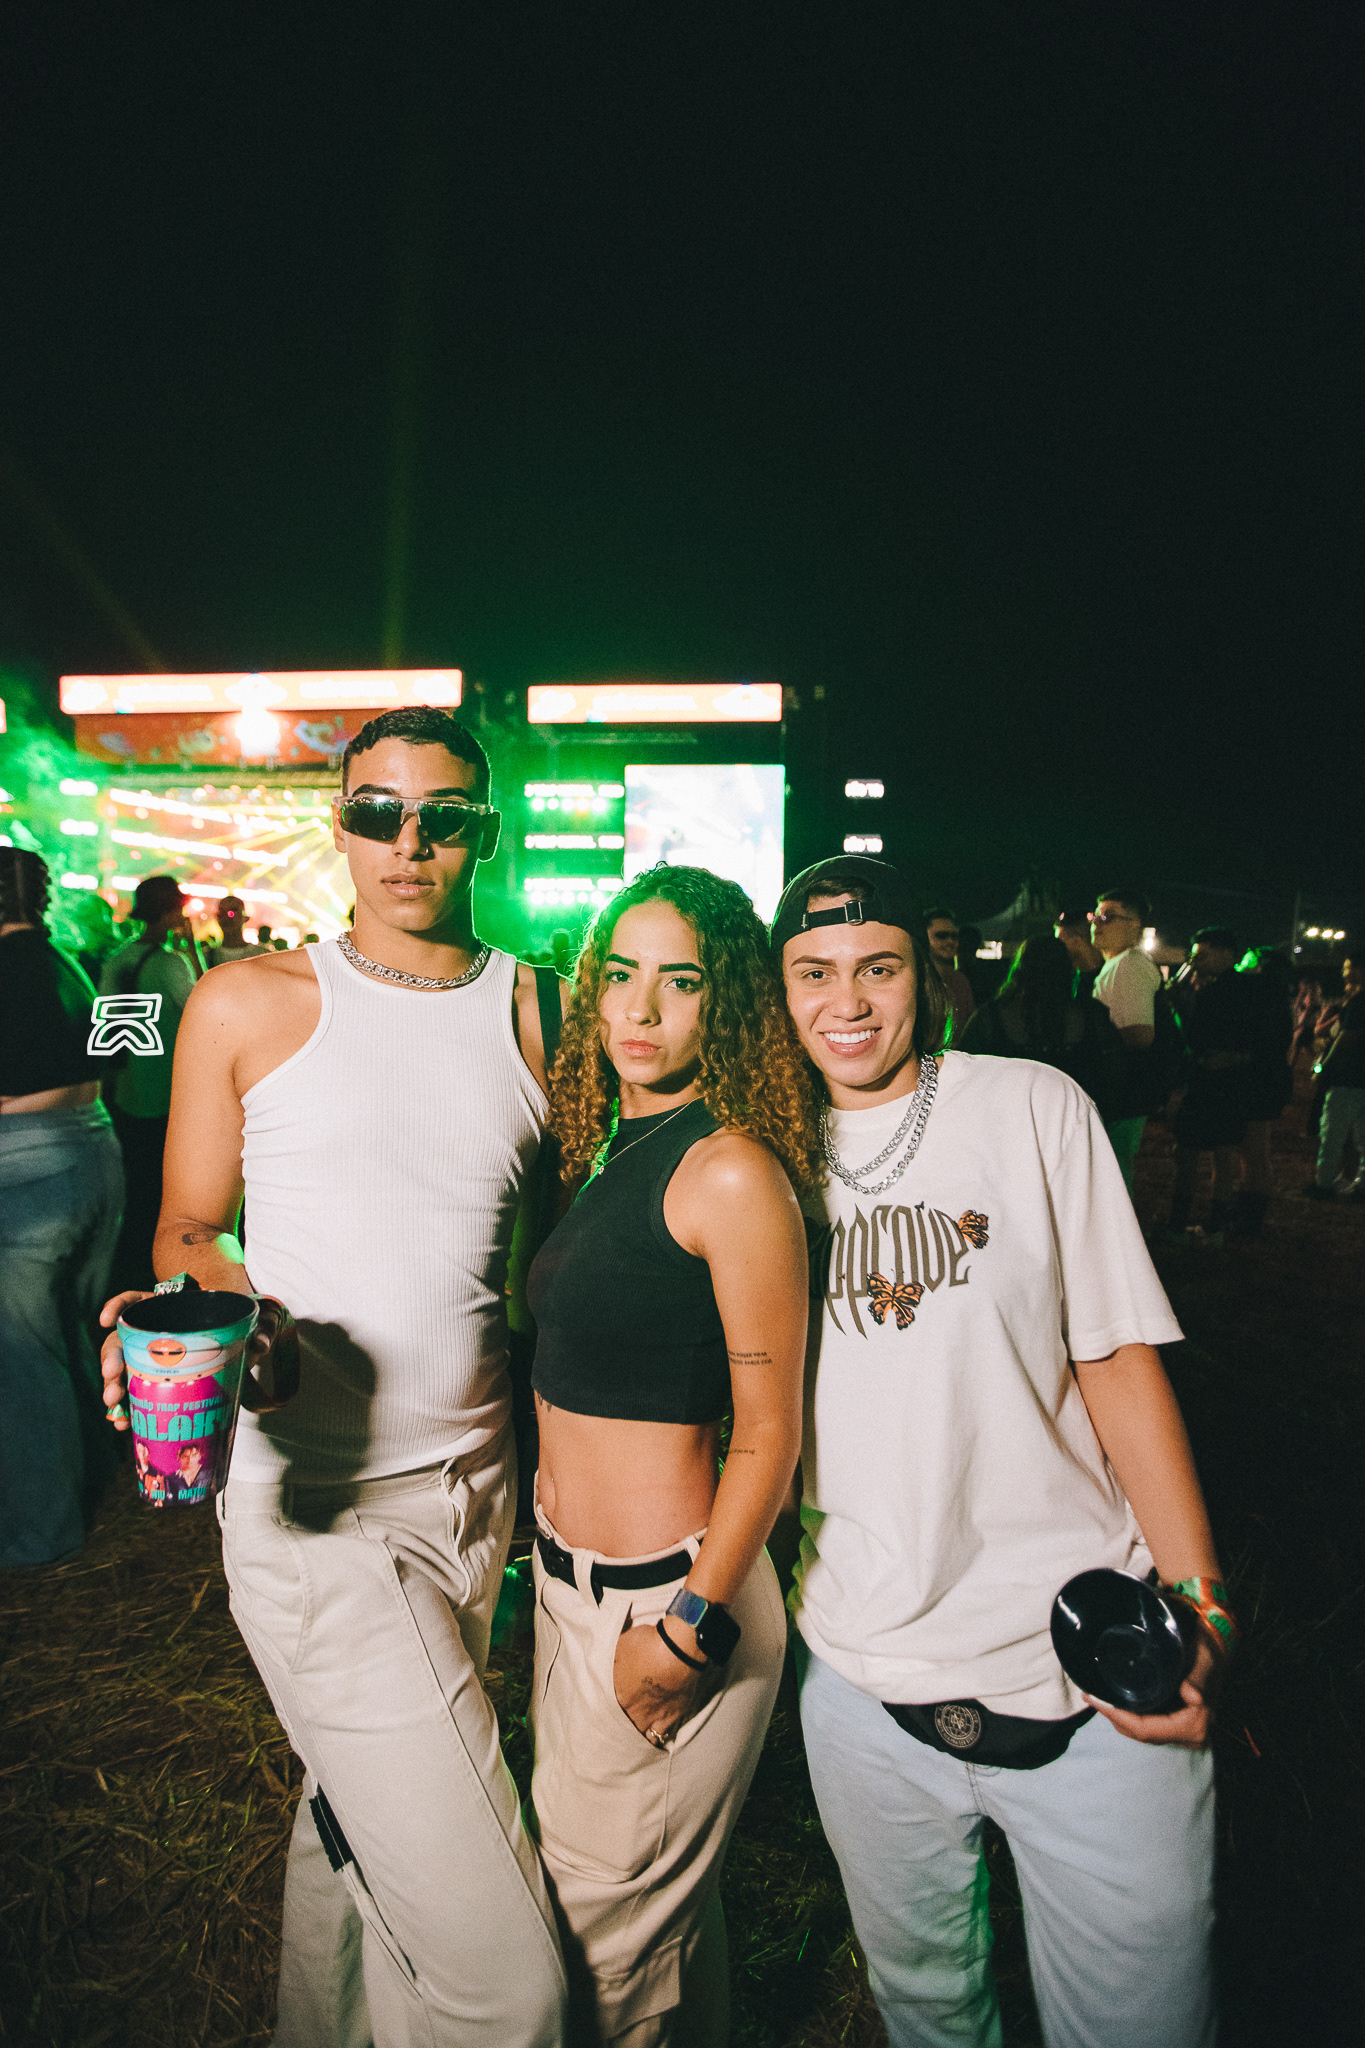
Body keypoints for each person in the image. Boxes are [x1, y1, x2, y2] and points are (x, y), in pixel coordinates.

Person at [99, 706, 569, 2047]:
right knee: (508, 1985)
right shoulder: (250, 1001)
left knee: (357, 1820)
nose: (407, 841)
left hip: (475, 1491)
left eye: (443, 817)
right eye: (377, 811)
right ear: (341, 822)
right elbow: (188, 1222)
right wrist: (229, 1306)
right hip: (318, 1513)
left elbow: (545, 1260)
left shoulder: (539, 1009)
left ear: (486, 833)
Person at [774, 852, 1230, 2048]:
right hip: (863, 1681)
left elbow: (1116, 1357)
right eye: (814, 971)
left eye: (876, 967)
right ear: (779, 991)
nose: (847, 1000)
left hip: (1086, 1671)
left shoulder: (1031, 1106)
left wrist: (1203, 1600)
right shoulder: (755, 1152)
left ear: (924, 974)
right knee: (927, 2009)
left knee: (1142, 2020)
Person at [524, 864, 813, 2044]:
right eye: (620, 974)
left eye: (680, 982)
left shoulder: (726, 1168)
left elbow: (773, 1428)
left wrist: (688, 1628)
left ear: (726, 1003)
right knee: (654, 1939)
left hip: (670, 1601)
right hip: (574, 1596)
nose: (640, 1008)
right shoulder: (611, 1145)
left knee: (600, 1962)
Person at [1, 849, 124, 1568]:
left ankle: (40, 1531)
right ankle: (91, 1478)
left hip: (26, 1168)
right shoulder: (65, 964)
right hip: (91, 1150)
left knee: (22, 1358)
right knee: (72, 1334)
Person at [99, 875, 204, 1290]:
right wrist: (191, 948)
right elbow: (204, 1008)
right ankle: (161, 1269)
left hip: (126, 1092)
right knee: (166, 1187)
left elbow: (104, 1027)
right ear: (173, 913)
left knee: (135, 1182)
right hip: (168, 1094)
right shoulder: (171, 963)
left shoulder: (117, 960)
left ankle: (129, 1262)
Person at [1165, 928, 1259, 1243]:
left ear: (1226, 954)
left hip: (1209, 1080)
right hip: (1236, 1081)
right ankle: (1215, 1226)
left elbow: (1195, 1039)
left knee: (1188, 1151)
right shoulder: (1249, 989)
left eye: (1201, 955)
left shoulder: (1213, 993)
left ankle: (1177, 1224)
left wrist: (1180, 1007)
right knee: (1225, 1152)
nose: (1195, 962)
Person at [958, 934, 1121, 1103]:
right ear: (1067, 969)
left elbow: (965, 1068)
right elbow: (1113, 1074)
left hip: (1010, 1112)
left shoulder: (991, 1016)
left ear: (1021, 969)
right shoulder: (1090, 1015)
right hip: (1073, 1111)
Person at [1088, 887, 1162, 1192]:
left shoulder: (1129, 966)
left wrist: (1091, 1040)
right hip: (1121, 1090)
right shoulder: (1118, 964)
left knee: (1112, 1177)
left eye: (1108, 917)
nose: (1097, 923)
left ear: (1134, 924)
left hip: (1123, 1091)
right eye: (1095, 916)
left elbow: (1141, 1035)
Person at [1231, 948, 1296, 1237]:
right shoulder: (1275, 999)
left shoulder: (1265, 1002)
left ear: (1262, 968)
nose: (1241, 965)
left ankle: (1250, 1219)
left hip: (1261, 1080)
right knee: (1253, 1149)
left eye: (1248, 960)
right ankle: (1247, 1211)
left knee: (1254, 1149)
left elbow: (1264, 1046)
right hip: (1268, 1079)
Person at [1306, 951, 1365, 1202]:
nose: (1344, 972)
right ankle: (1361, 1186)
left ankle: (1324, 1183)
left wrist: (1324, 1068)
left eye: (1347, 967)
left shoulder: (1359, 1002)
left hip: (1347, 1077)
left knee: (1332, 1133)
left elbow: (1346, 1039)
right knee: (1362, 1136)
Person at [922, 907, 975, 1036]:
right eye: (941, 936)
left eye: (954, 936)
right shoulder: (916, 979)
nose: (950, 941)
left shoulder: (960, 981)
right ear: (924, 937)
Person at [1054, 907, 1104, 997]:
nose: (1056, 947)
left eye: (1060, 941)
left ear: (1078, 939)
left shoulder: (1107, 978)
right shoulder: (1070, 979)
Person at [207, 893, 266, 964]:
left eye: (234, 912)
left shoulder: (262, 956)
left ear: (245, 918)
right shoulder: (207, 956)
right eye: (223, 913)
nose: (227, 917)